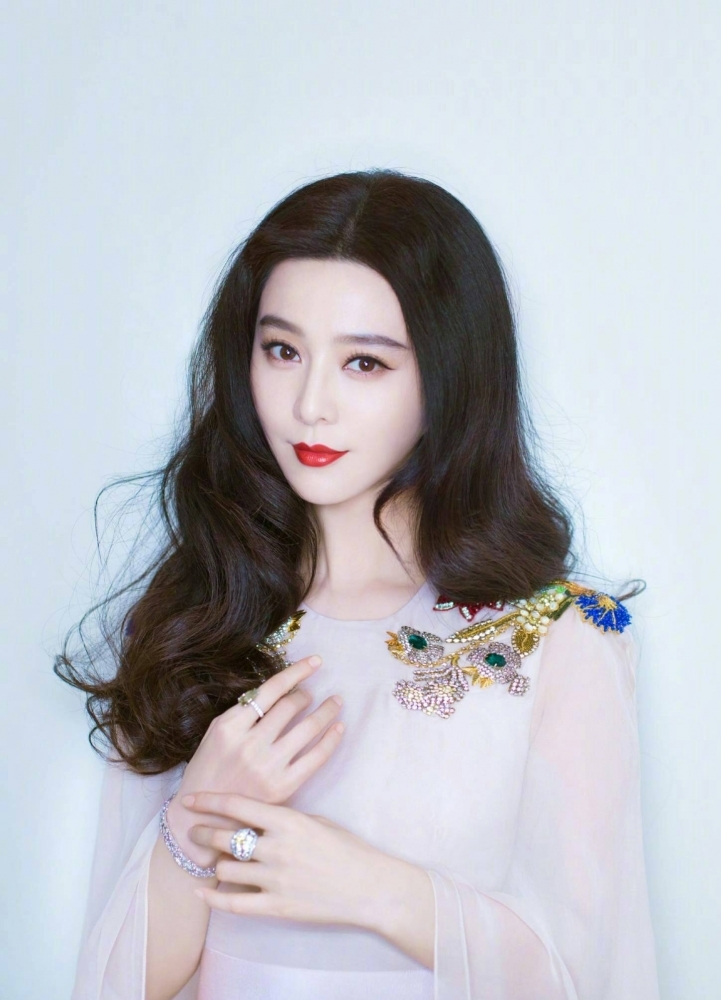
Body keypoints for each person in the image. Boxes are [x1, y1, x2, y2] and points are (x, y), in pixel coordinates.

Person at [56, 168, 660, 1000]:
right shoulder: (191, 619)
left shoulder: (559, 638)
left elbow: (590, 977)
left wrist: (372, 889)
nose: (310, 404)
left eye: (364, 363)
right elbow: (114, 985)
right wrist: (198, 814)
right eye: (282, 351)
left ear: (448, 377)